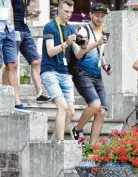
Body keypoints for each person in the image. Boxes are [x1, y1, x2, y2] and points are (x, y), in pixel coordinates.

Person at [40, 0, 88, 140]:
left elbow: (78, 54)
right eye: (66, 11)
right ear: (59, 10)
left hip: (65, 73)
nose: (69, 15)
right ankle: (60, 144)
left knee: (71, 111)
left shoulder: (71, 29)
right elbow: (49, 52)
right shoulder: (50, 27)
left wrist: (84, 46)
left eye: (71, 12)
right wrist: (66, 43)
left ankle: (53, 143)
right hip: (49, 71)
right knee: (62, 107)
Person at [69, 3, 111, 144]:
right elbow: (79, 54)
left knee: (102, 111)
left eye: (102, 16)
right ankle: (77, 128)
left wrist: (105, 65)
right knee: (95, 105)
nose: (100, 19)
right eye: (97, 16)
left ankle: (92, 147)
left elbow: (101, 52)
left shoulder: (101, 32)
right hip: (82, 72)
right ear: (91, 15)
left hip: (97, 74)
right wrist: (97, 43)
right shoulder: (83, 31)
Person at [6, 0, 51, 103]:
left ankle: (39, 93)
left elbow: (21, 12)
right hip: (13, 30)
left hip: (25, 30)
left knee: (36, 60)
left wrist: (31, 14)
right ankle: (8, 93)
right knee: (11, 64)